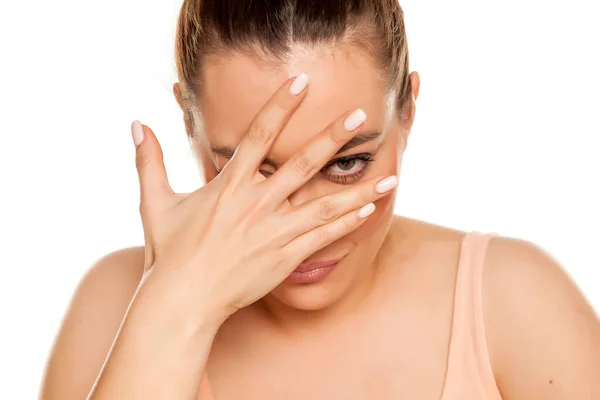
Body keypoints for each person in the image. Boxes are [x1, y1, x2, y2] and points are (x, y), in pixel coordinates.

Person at [40, 1, 600, 399]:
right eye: (249, 168)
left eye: (346, 162)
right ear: (190, 124)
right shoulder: (115, 307)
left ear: (406, 113)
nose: (302, 227)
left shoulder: (515, 304)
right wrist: (174, 306)